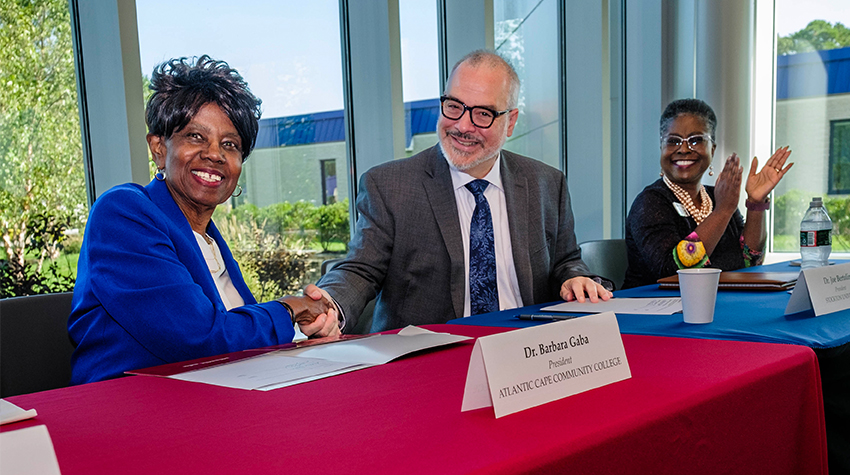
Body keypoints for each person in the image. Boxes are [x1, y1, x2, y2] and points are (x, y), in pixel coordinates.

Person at [68, 55, 339, 384]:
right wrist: (290, 309)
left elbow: (240, 340)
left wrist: (311, 323)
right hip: (132, 410)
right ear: (158, 148)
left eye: (230, 144)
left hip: (214, 400)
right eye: (196, 137)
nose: (215, 153)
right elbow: (199, 340)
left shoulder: (207, 238)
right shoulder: (123, 213)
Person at [318, 50, 611, 333]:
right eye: (454, 106)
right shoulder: (389, 186)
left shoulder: (546, 183)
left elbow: (565, 261)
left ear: (510, 122)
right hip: (430, 358)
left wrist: (575, 278)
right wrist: (327, 306)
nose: (462, 125)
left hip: (526, 350)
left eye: (483, 114)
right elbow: (360, 269)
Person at [623, 98, 793, 289]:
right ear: (661, 148)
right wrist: (721, 212)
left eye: (696, 140)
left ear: (712, 149)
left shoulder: (717, 197)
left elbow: (750, 261)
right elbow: (672, 272)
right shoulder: (650, 202)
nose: (684, 149)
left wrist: (756, 202)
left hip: (717, 303)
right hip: (655, 310)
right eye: (673, 141)